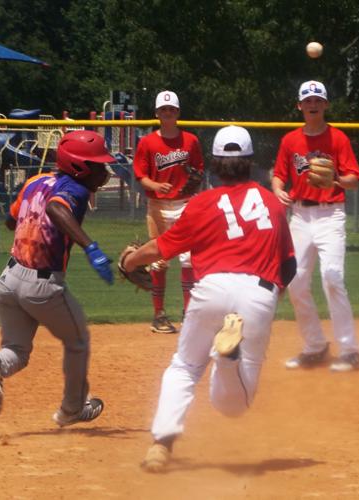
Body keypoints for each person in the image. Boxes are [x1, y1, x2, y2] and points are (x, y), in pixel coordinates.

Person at [122, 126, 296, 472]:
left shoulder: (201, 202)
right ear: (249, 163)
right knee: (233, 406)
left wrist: (128, 261)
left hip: (210, 288)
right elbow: (289, 265)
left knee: (185, 367)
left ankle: (161, 445)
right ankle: (227, 359)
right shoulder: (270, 202)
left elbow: (161, 248)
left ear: (214, 164)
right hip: (258, 292)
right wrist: (272, 298)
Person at [0, 130, 115, 427]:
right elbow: (56, 208)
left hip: (9, 279)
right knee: (77, 340)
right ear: (79, 167)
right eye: (98, 165)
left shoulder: (35, 180)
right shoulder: (76, 190)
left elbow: (10, 220)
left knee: (16, 350)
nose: (105, 171)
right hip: (42, 286)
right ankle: (73, 409)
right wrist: (91, 248)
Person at [271, 80, 359, 372]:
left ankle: (349, 350)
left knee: (332, 278)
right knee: (295, 281)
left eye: (317, 100)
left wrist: (335, 180)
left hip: (330, 214)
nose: (312, 104)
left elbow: (354, 181)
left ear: (325, 105)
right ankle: (315, 346)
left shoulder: (337, 139)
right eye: (307, 100)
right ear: (299, 106)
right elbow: (278, 176)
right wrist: (277, 190)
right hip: (299, 216)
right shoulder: (290, 141)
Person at [132, 90, 205, 334]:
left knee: (188, 260)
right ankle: (159, 315)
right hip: (158, 206)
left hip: (186, 204)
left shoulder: (190, 141)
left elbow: (198, 170)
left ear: (178, 113)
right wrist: (155, 185)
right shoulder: (148, 142)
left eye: (172, 109)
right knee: (159, 261)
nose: (168, 113)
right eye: (163, 110)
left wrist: (194, 182)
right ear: (157, 113)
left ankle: (189, 314)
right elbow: (141, 175)